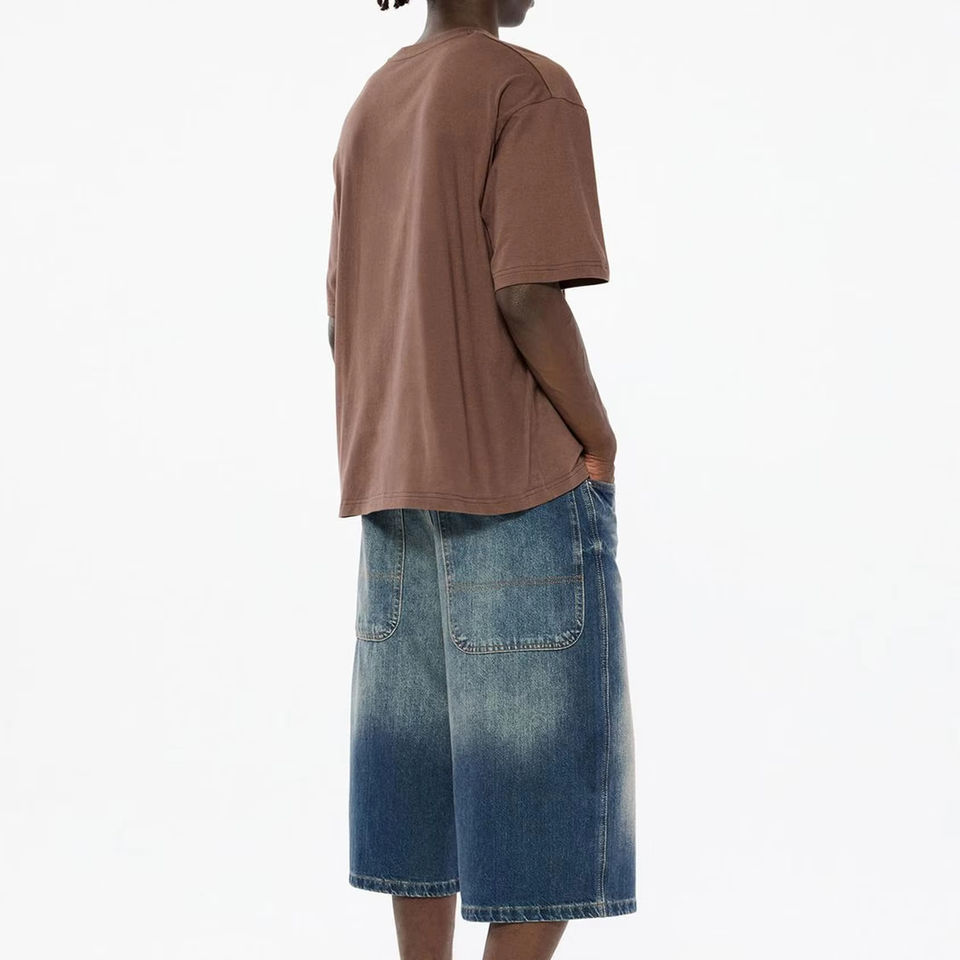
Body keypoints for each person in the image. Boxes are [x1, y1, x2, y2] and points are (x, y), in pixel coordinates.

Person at [325, 2, 636, 957]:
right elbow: (527, 294)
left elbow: (341, 320)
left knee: (417, 796)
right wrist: (599, 438)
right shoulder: (525, 86)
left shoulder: (374, 100)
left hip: (396, 490)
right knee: (543, 805)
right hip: (518, 489)